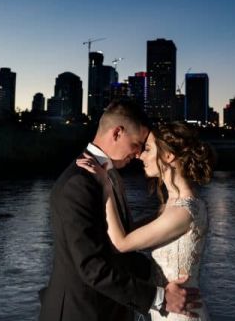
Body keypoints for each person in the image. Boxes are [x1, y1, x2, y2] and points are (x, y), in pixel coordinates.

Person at [39, 100, 201, 321]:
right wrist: (160, 297)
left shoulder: (110, 176)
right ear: (117, 133)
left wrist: (163, 277)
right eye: (137, 144)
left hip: (110, 310)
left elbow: (120, 254)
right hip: (83, 312)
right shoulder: (79, 183)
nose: (138, 154)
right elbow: (92, 266)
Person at [76, 121, 214, 321]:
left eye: (147, 149)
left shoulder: (182, 212)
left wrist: (105, 186)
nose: (140, 155)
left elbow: (121, 243)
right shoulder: (172, 205)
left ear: (168, 156)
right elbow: (130, 232)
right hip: (167, 309)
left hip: (180, 315)